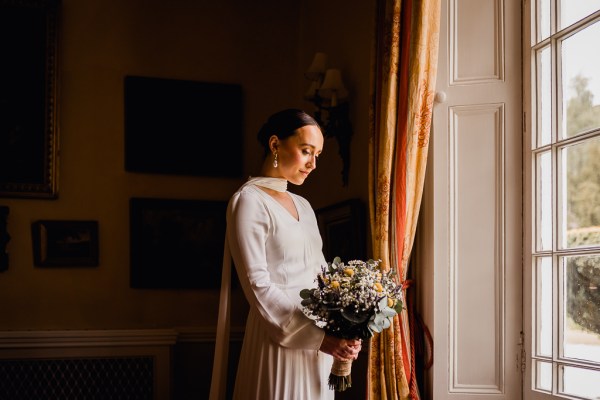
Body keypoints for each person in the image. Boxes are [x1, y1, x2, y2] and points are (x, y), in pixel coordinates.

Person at [209, 109, 362, 400]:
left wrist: (346, 323)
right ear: (275, 144)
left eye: (317, 154)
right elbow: (258, 285)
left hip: (320, 341)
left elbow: (321, 274)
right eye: (306, 151)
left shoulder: (303, 205)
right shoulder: (248, 202)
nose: (313, 164)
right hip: (279, 337)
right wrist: (321, 339)